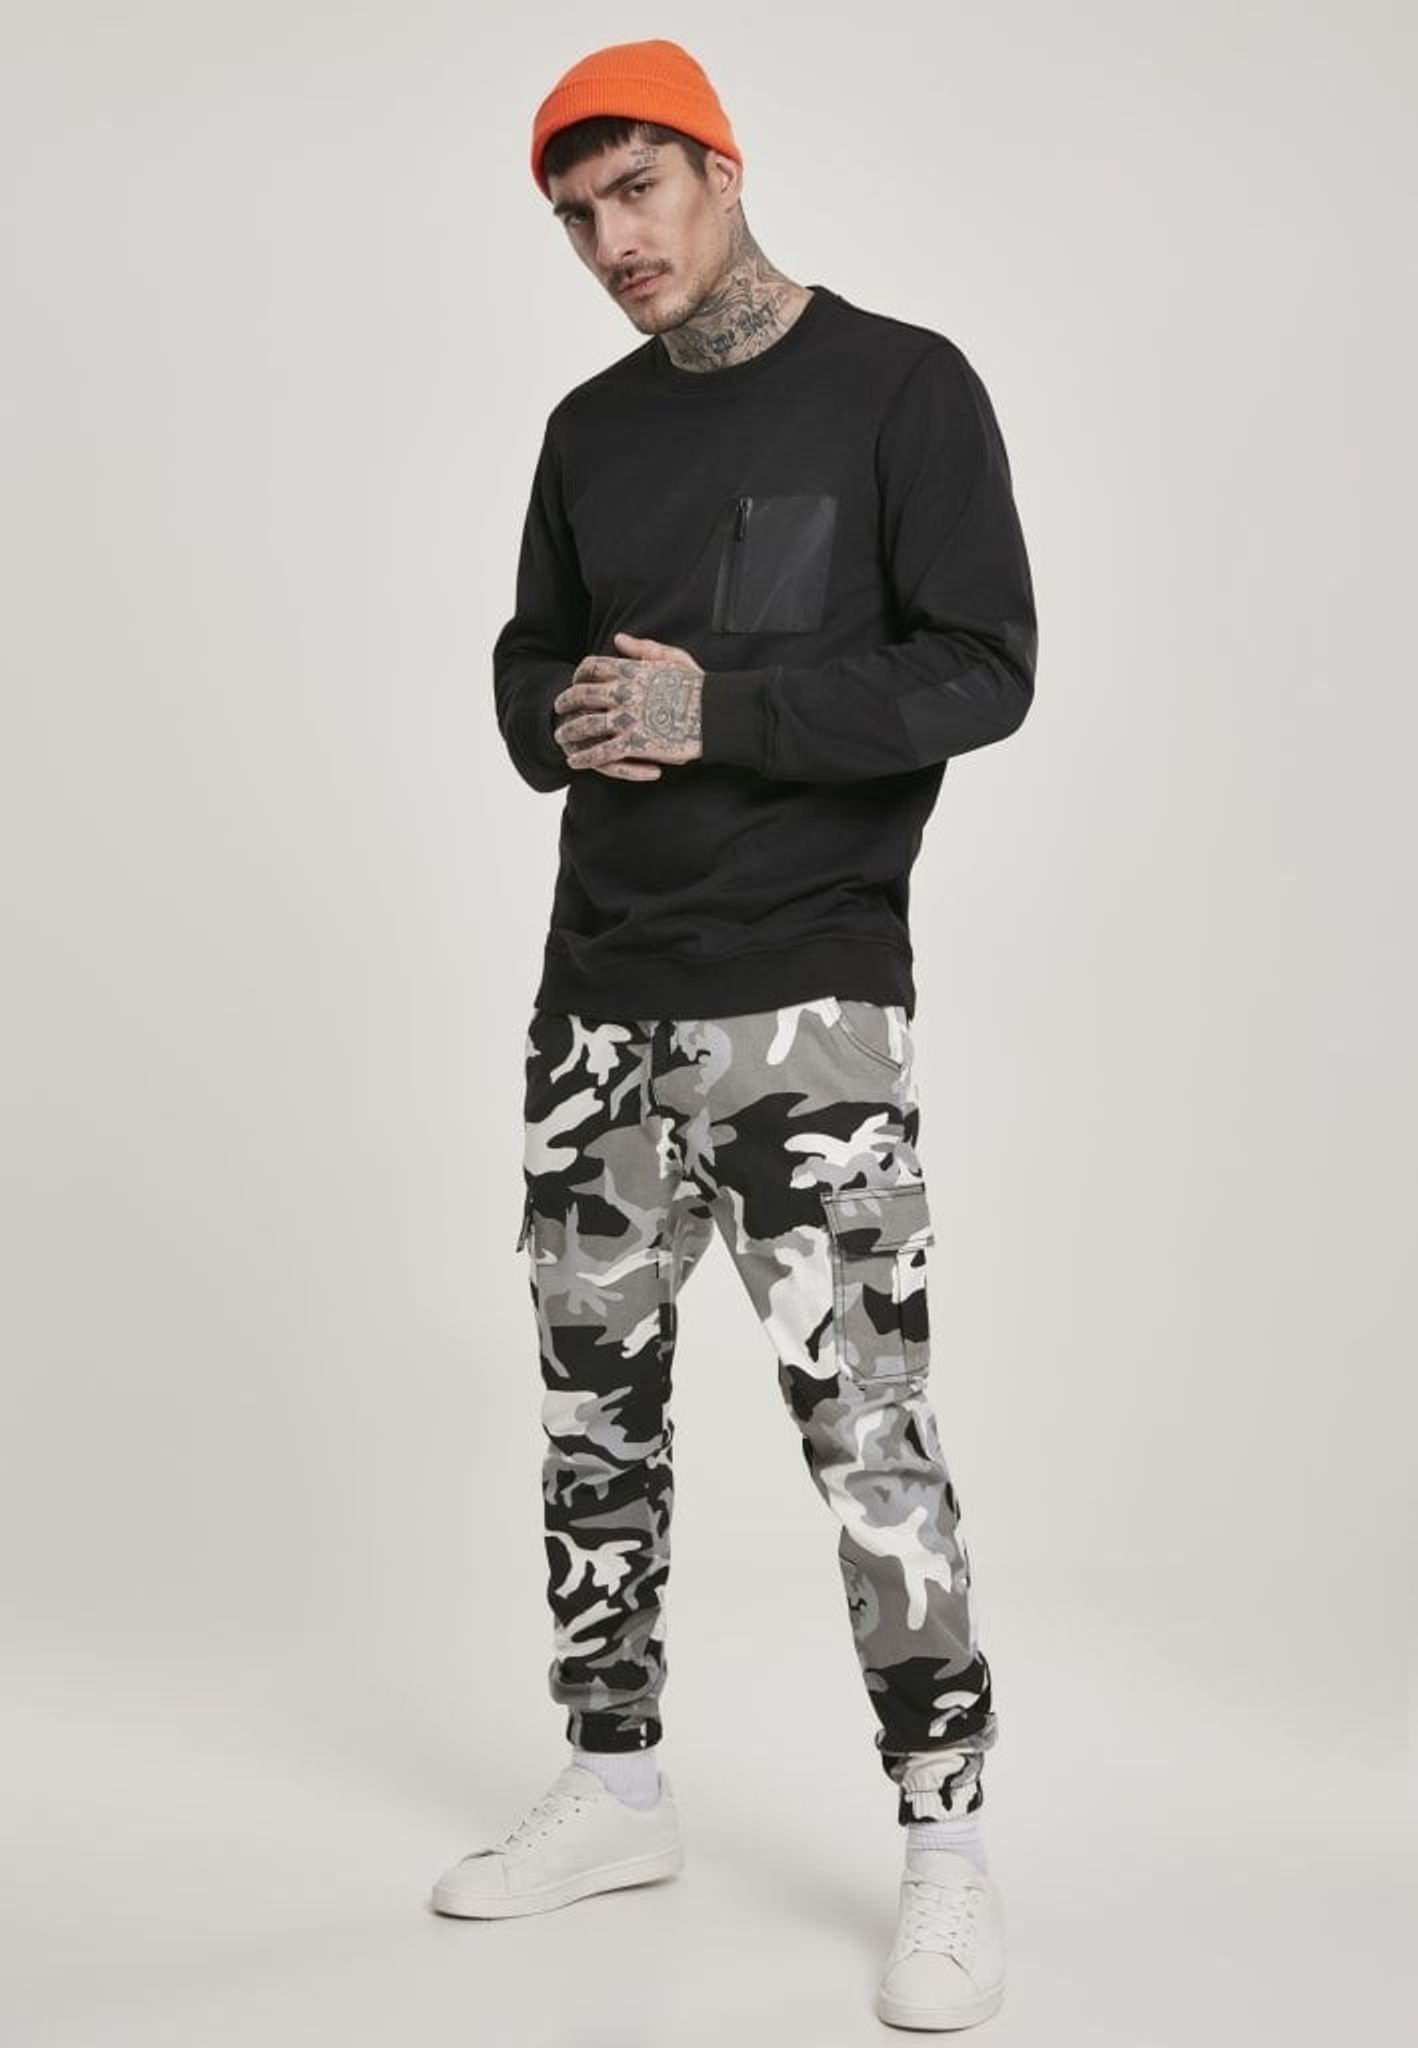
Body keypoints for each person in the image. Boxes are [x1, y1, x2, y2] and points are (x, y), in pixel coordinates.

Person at [429, 37, 1037, 2033]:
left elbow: (980, 667)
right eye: (577, 216)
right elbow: (528, 664)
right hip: (594, 1006)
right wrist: (559, 719)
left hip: (807, 1008)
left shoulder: (900, 387)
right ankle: (615, 1789)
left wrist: (726, 710)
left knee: (868, 1432)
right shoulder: (588, 431)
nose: (612, 241)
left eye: (638, 191)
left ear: (720, 168)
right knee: (590, 1421)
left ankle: (944, 1849)